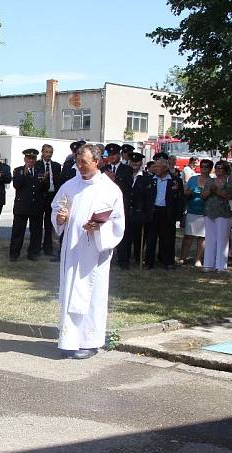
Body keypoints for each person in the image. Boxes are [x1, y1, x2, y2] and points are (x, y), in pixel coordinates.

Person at [51, 143, 125, 359]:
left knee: (92, 295)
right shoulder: (69, 186)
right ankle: (69, 340)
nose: (80, 166)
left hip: (95, 251)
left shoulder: (109, 189)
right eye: (77, 162)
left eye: (84, 162)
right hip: (72, 250)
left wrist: (99, 228)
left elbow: (118, 222)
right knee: (69, 292)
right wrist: (60, 218)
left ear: (97, 161)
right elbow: (57, 209)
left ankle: (90, 341)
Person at [144, 157, 184, 270]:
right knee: (151, 238)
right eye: (155, 166)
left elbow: (180, 200)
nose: (155, 168)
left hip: (167, 212)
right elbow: (145, 198)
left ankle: (168, 261)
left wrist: (178, 215)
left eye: (158, 166)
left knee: (168, 238)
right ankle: (148, 262)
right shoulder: (151, 180)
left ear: (165, 168)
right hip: (153, 211)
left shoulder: (175, 181)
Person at [116, 152, 152, 269]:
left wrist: (146, 214)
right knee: (125, 237)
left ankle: (138, 258)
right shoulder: (124, 175)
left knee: (138, 238)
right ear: (129, 162)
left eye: (137, 162)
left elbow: (148, 198)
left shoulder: (146, 178)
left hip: (139, 212)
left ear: (141, 163)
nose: (134, 164)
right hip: (125, 211)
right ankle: (123, 261)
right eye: (132, 162)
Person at [9, 148, 46, 261]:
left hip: (36, 207)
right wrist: (24, 175)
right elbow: (16, 185)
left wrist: (44, 181)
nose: (31, 160)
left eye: (33, 158)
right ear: (25, 159)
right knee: (18, 231)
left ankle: (33, 253)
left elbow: (44, 188)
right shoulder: (18, 170)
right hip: (22, 206)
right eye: (29, 158)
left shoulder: (40, 170)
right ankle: (14, 254)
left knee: (36, 232)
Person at [202, 160, 232, 273]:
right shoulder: (210, 180)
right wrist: (210, 191)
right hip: (209, 212)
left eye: (220, 168)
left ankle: (221, 266)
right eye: (216, 168)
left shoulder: (230, 180)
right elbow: (203, 195)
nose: (218, 170)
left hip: (224, 213)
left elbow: (229, 195)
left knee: (222, 239)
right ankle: (208, 264)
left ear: (225, 169)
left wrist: (216, 190)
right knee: (210, 239)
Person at [178, 158, 211, 267]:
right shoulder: (193, 179)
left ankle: (198, 259)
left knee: (202, 238)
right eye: (202, 166)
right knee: (188, 236)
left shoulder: (212, 181)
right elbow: (185, 192)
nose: (204, 169)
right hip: (192, 210)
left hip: (205, 212)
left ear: (210, 169)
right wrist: (189, 193)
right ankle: (182, 257)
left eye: (206, 167)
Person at [36, 144, 62, 256]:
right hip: (40, 196)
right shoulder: (37, 165)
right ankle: (36, 247)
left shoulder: (56, 166)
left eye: (50, 152)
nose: (48, 154)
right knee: (37, 223)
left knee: (49, 224)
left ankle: (48, 248)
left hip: (52, 197)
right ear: (42, 152)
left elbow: (58, 181)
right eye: (46, 152)